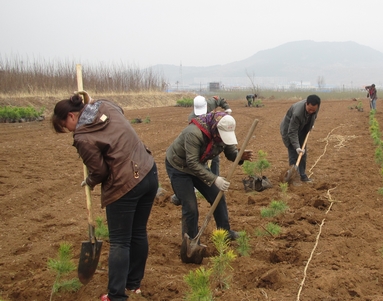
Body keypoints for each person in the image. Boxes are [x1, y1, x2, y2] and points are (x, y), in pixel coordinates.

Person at [51, 92, 158, 301]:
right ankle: (133, 285)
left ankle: (116, 296)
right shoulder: (105, 105)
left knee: (120, 242)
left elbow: (99, 171)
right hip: (148, 171)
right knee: (138, 232)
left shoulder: (82, 136)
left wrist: (89, 181)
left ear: (72, 116)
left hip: (125, 184)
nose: (68, 130)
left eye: (65, 126)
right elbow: (119, 111)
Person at [165, 111, 252, 259]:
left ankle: (225, 232)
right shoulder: (194, 133)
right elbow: (191, 162)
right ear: (215, 128)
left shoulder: (223, 135)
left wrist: (239, 156)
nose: (223, 140)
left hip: (198, 165)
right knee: (190, 206)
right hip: (179, 167)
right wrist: (214, 178)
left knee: (217, 195)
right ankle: (191, 241)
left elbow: (231, 153)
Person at [280, 94, 321, 183]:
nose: (311, 111)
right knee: (294, 152)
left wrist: (310, 124)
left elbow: (313, 115)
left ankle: (302, 175)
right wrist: (297, 147)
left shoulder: (316, 108)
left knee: (303, 153)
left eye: (313, 110)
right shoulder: (297, 113)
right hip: (289, 130)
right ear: (306, 103)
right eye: (309, 109)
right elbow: (292, 131)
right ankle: (293, 178)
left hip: (302, 128)